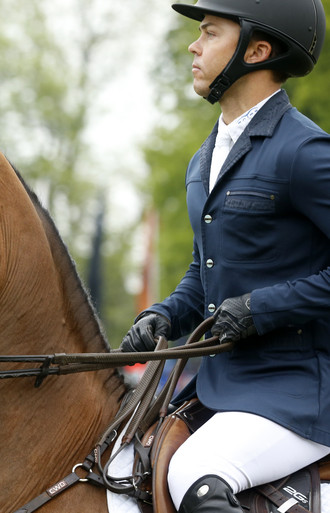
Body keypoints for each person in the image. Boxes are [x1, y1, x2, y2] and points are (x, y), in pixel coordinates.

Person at [120, 0, 330, 511]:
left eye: (210, 34)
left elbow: (252, 297)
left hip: (298, 390)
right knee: (120, 465)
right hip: (222, 386)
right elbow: (205, 273)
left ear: (258, 50)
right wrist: (163, 314)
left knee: (196, 473)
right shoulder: (205, 158)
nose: (194, 45)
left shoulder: (305, 152)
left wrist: (262, 308)